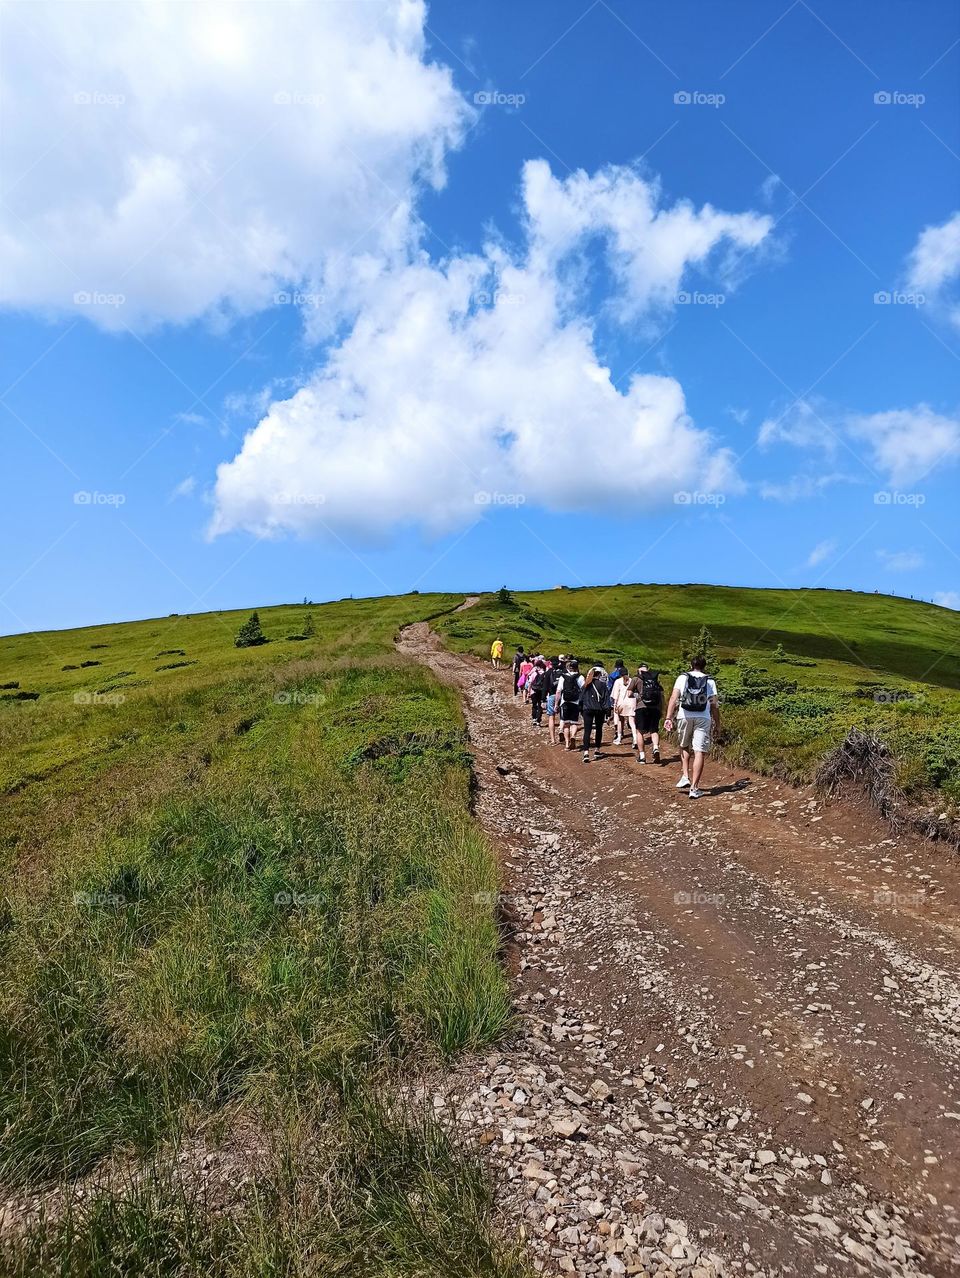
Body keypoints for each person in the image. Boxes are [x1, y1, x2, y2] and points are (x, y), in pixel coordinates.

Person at [663, 655, 719, 798]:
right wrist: (718, 723)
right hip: (703, 717)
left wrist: (668, 717)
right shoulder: (710, 680)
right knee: (699, 751)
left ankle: (685, 776)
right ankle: (694, 789)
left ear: (691, 665)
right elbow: (714, 705)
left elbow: (673, 698)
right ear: (704, 666)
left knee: (684, 745)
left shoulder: (683, 677)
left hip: (684, 715)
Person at [579, 664, 609, 763]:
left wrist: (581, 709)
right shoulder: (603, 685)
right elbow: (606, 700)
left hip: (587, 709)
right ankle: (597, 750)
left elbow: (581, 698)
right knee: (599, 729)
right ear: (599, 675)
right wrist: (608, 712)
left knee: (587, 731)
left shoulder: (586, 684)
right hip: (599, 709)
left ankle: (586, 753)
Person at [635, 664, 664, 765]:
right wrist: (661, 710)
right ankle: (655, 747)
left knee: (640, 732)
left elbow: (629, 693)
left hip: (641, 707)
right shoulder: (656, 681)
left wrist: (638, 695)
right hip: (655, 708)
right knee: (654, 730)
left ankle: (642, 756)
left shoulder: (636, 679)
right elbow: (661, 695)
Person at [557, 660, 582, 750]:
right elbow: (583, 689)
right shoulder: (580, 677)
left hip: (565, 702)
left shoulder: (563, 677)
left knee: (566, 724)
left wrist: (557, 704)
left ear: (568, 668)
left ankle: (567, 744)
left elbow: (559, 691)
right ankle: (573, 736)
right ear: (577, 667)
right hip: (575, 702)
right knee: (574, 723)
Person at [613, 671, 639, 749]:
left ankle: (619, 738)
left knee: (620, 720)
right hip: (632, 702)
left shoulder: (617, 681)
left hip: (621, 703)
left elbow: (615, 695)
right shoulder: (633, 680)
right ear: (628, 673)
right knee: (632, 722)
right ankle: (635, 739)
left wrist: (615, 704)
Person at [608, 659, 628, 740]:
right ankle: (622, 730)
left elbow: (609, 687)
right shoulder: (625, 673)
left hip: (615, 695)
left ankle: (617, 730)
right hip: (625, 696)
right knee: (623, 715)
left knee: (616, 714)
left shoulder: (612, 675)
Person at [544, 657, 561, 745]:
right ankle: (562, 732)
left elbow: (545, 687)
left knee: (551, 717)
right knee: (563, 718)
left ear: (550, 663)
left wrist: (543, 699)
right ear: (559, 663)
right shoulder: (563, 672)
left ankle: (553, 740)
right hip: (562, 696)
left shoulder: (548, 673)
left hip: (551, 696)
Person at [528, 658, 547, 727]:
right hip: (541, 692)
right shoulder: (545, 674)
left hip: (534, 691)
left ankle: (534, 719)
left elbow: (530, 683)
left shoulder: (534, 673)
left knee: (534, 705)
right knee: (540, 706)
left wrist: (529, 692)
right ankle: (538, 720)